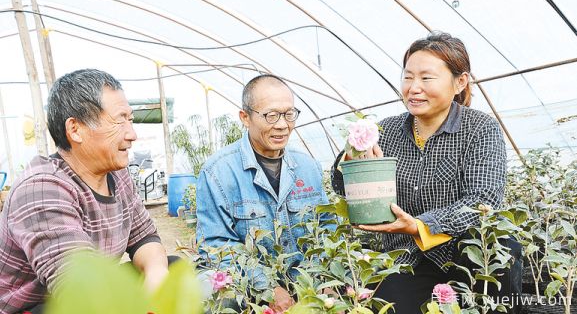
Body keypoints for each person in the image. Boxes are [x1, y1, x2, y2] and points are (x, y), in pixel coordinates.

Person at [332, 32, 521, 313]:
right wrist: (352, 158)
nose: (413, 88)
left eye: (426, 78)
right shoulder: (387, 131)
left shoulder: (480, 129)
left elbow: (484, 200)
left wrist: (421, 226)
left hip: (464, 256)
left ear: (460, 82)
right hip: (406, 256)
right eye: (407, 77)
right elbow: (340, 186)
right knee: (388, 304)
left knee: (503, 246)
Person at [0, 69, 169, 314]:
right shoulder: (41, 189)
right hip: (34, 306)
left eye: (130, 120)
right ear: (75, 129)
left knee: (169, 267)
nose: (132, 134)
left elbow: (144, 237)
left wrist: (156, 275)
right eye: (119, 120)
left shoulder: (117, 175)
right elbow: (80, 290)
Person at [196, 74, 333, 313]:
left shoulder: (308, 167)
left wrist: (324, 279)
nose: (282, 124)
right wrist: (267, 287)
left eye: (289, 114)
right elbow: (216, 247)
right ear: (245, 118)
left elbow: (327, 229)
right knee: (213, 293)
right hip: (248, 284)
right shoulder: (218, 172)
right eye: (271, 115)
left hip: (305, 282)